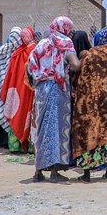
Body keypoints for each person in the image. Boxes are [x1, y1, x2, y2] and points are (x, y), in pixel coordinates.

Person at [71, 27, 107, 182]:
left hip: (90, 103)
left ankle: (87, 174)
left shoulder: (91, 54)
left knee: (89, 132)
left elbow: (80, 78)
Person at [27, 17, 81, 182]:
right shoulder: (65, 42)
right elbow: (76, 64)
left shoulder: (42, 43)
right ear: (65, 28)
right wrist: (66, 68)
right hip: (57, 89)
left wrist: (43, 74)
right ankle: (54, 171)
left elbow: (30, 66)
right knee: (55, 129)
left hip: (41, 90)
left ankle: (38, 172)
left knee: (41, 128)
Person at [0, 28, 23, 149]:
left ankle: (3, 141)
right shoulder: (20, 52)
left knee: (2, 113)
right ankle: (8, 142)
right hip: (13, 89)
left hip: (1, 87)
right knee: (9, 113)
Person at [3, 27, 39, 148]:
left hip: (18, 90)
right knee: (27, 112)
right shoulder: (34, 50)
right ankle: (29, 146)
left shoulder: (20, 52)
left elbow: (11, 73)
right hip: (28, 89)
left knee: (18, 112)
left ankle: (15, 146)